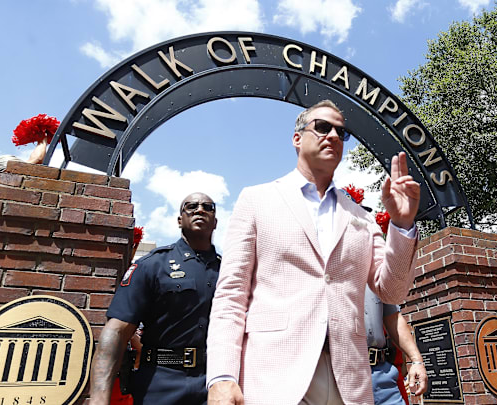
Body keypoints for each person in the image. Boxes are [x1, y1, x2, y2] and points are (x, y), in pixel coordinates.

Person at [206, 100, 420, 405]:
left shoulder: (361, 217)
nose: (333, 135)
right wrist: (222, 377)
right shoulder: (256, 200)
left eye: (340, 132)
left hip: (350, 381)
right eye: (322, 127)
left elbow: (393, 290)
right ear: (297, 138)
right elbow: (230, 296)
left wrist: (401, 224)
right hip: (275, 377)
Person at [90, 193, 220, 405]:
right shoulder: (151, 265)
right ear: (180, 220)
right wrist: (98, 400)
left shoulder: (229, 271)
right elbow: (116, 332)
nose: (200, 210)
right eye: (191, 206)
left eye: (208, 206)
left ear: (215, 221)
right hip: (159, 383)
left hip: (214, 384)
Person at [365, 289, 427, 404]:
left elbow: (394, 318)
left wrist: (417, 361)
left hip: (381, 373)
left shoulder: (373, 275)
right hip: (335, 374)